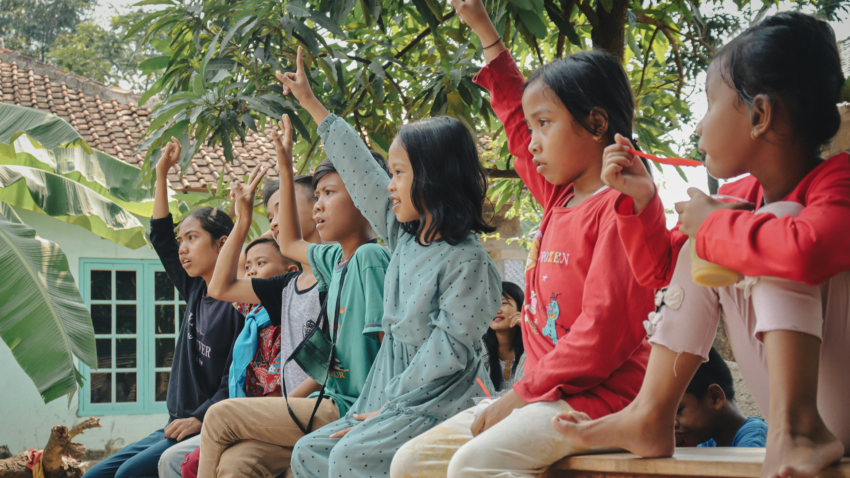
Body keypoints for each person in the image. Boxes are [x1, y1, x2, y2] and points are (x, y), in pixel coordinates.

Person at [553, 12, 850, 478]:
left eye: (710, 103)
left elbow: (806, 251)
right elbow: (663, 275)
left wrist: (713, 226)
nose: (697, 128)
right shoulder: (740, 198)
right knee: (702, 247)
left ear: (760, 115)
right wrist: (644, 200)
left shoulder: (840, 182)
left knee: (774, 224)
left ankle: (798, 428)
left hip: (833, 403)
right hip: (814, 405)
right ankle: (652, 414)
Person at [390, 1, 655, 476]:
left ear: (595, 124)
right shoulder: (559, 196)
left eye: (545, 124)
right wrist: (483, 28)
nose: (530, 141)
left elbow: (601, 337)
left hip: (601, 400)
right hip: (541, 393)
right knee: (412, 461)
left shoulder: (622, 210)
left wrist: (520, 395)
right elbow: (514, 116)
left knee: (473, 462)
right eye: (532, 127)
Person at [277, 45, 502, 478]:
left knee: (348, 458)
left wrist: (387, 405)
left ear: (434, 178)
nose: (390, 186)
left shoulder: (468, 262)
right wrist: (311, 103)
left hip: (440, 398)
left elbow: (446, 353)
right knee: (308, 452)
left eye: (399, 173)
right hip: (389, 388)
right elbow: (361, 171)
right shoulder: (403, 235)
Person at [200, 132, 390, 477]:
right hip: (322, 405)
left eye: (328, 194)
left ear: (365, 196)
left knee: (220, 416)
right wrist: (284, 167)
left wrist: (385, 414)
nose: (319, 205)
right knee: (236, 463)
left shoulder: (370, 258)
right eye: (316, 196)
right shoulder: (335, 260)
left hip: (350, 407)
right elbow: (288, 242)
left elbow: (385, 346)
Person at [84, 140, 244, 478]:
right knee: (94, 475)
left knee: (127, 475)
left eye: (192, 238)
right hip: (174, 424)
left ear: (223, 243)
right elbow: (160, 237)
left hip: (203, 427)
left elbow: (235, 380)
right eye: (181, 239)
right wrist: (161, 174)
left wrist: (200, 417)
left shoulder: (242, 305)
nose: (182, 248)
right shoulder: (196, 287)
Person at [160, 175, 325, 478]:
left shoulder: (333, 279)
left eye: (281, 211)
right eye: (272, 215)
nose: (276, 221)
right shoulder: (265, 305)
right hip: (271, 412)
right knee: (191, 462)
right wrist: (243, 220)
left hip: (297, 408)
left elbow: (328, 367)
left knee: (217, 420)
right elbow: (222, 285)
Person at [676, 348, 767, 448]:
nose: (674, 423)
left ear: (715, 397)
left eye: (679, 410)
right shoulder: (708, 442)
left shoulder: (753, 440)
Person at [481, 281, 526, 392]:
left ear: (520, 308)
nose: (496, 310)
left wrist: (529, 332)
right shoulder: (479, 348)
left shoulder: (532, 346)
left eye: (503, 303)